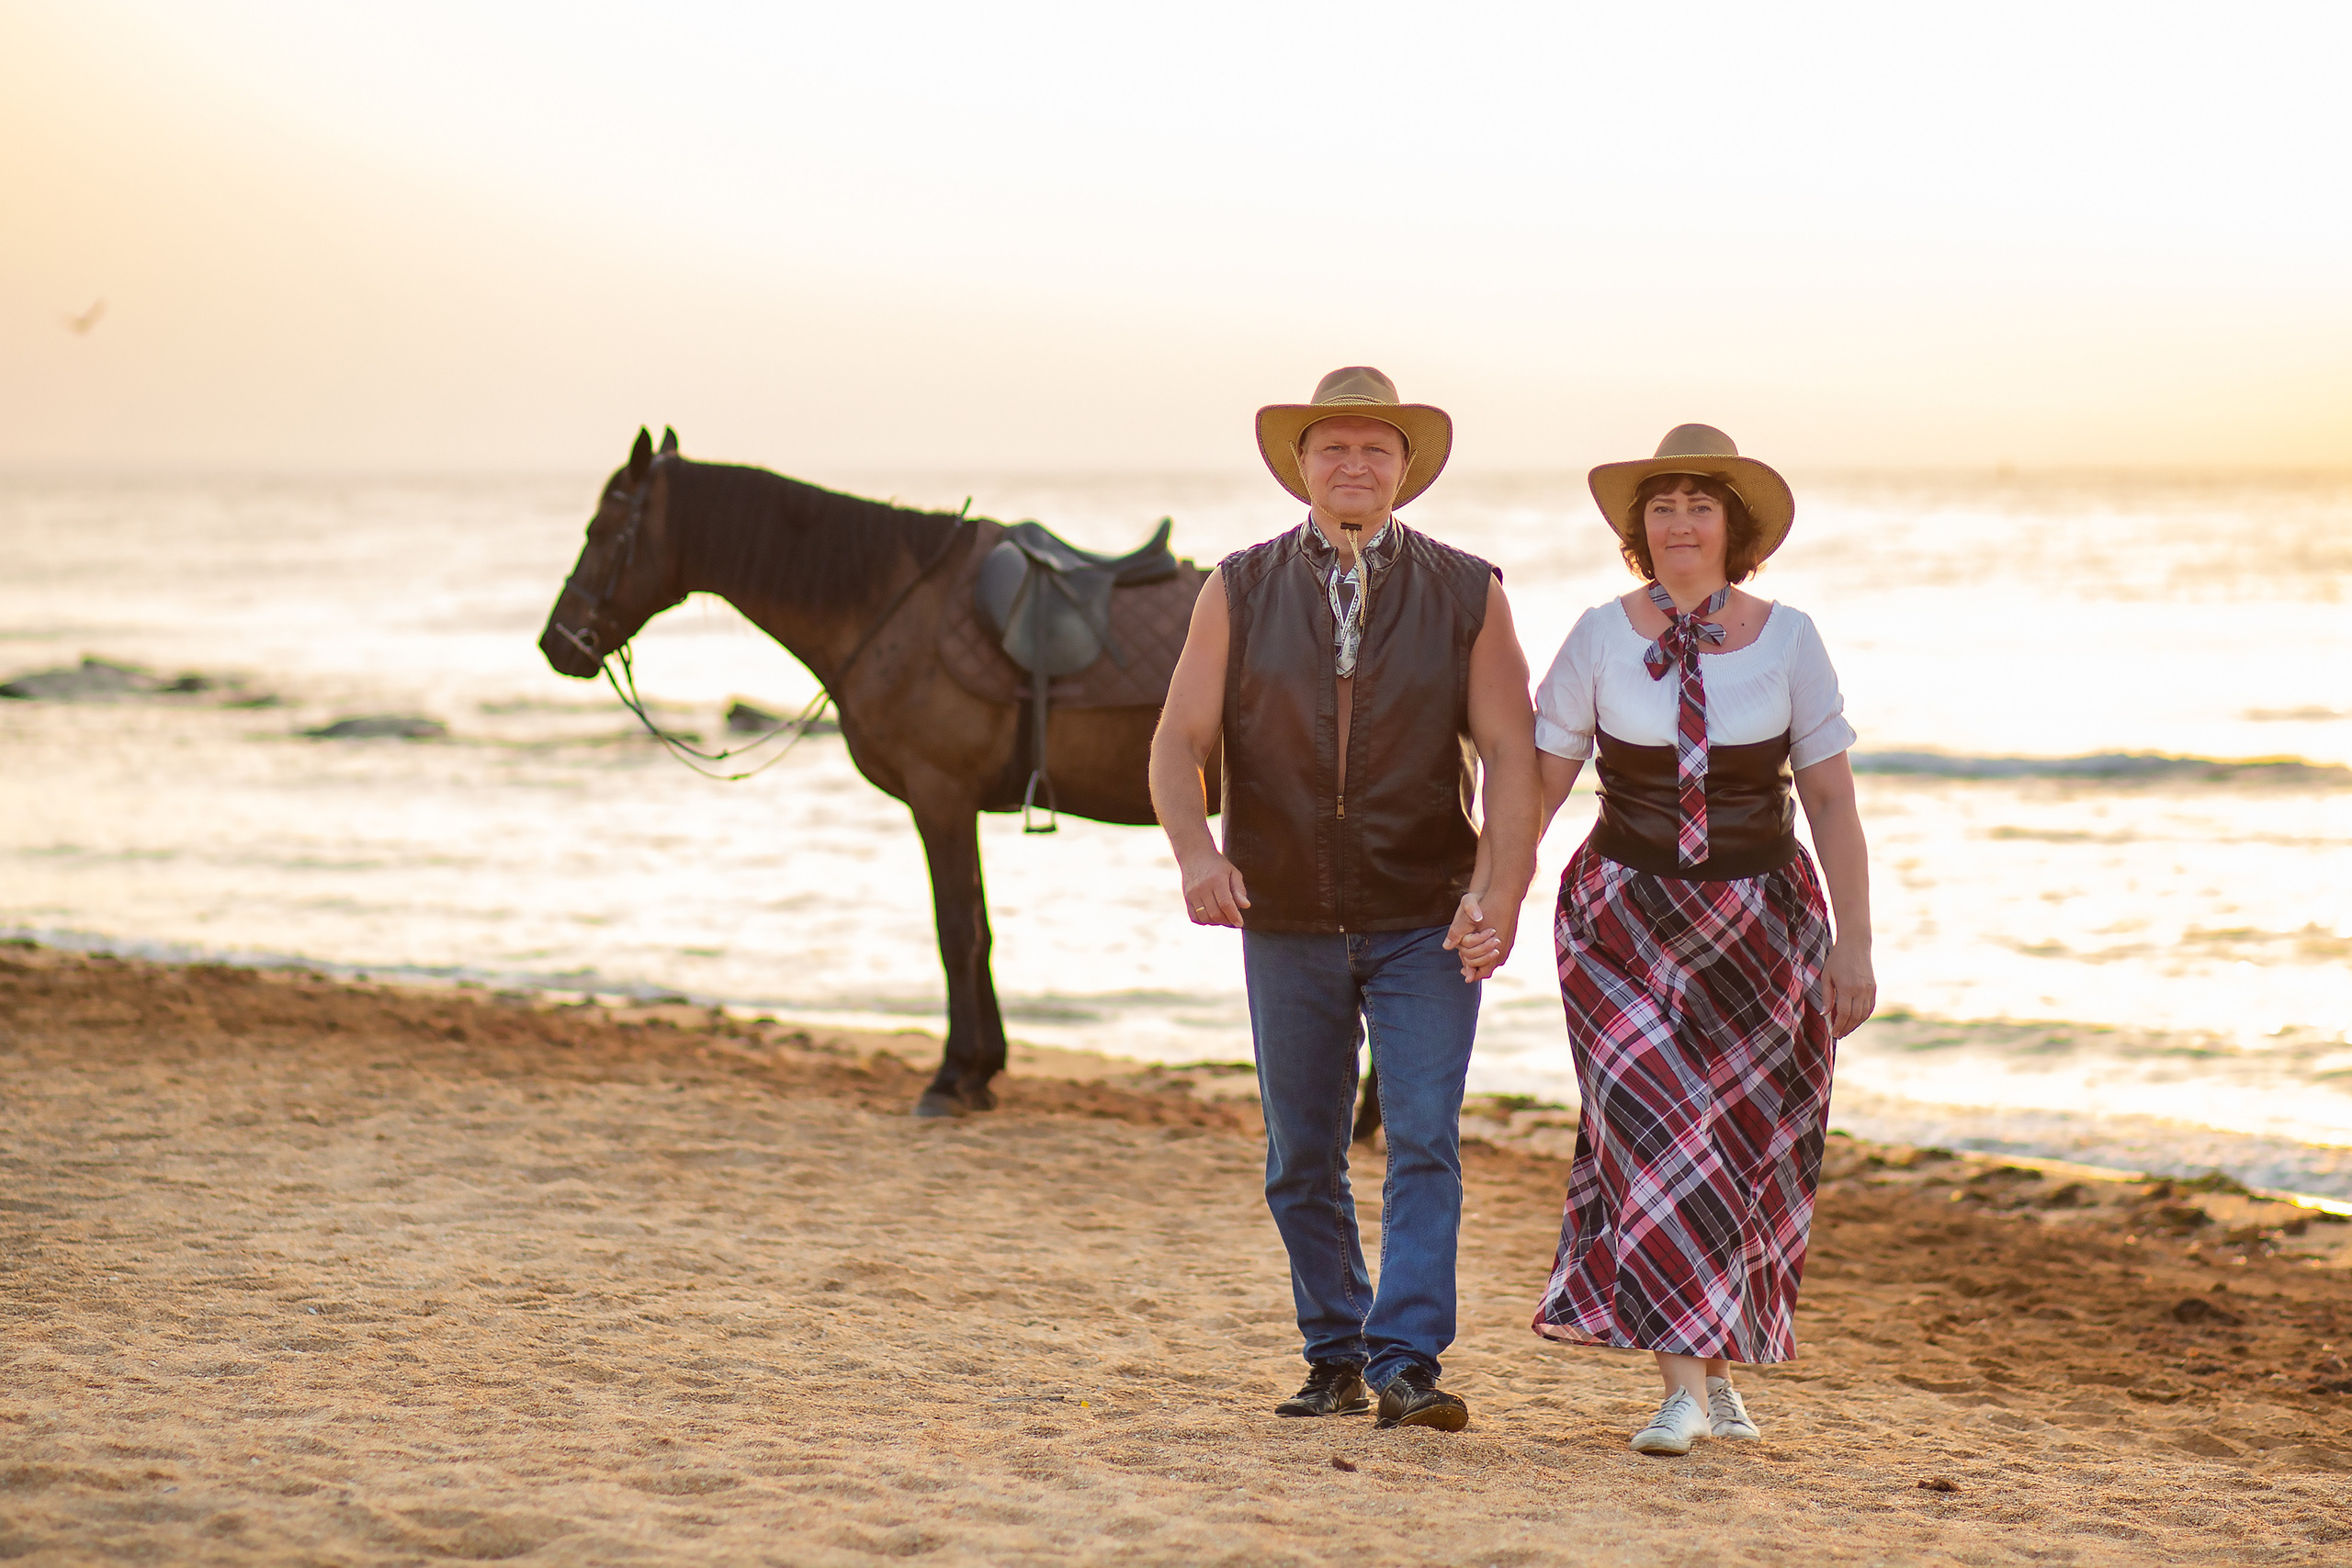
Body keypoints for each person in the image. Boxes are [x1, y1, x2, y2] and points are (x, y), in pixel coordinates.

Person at [1150, 367, 1539, 1431]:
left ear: (1404, 472)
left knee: (1423, 1138)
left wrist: (1498, 889)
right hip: (1282, 916)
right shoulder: (1238, 584)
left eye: (1376, 450)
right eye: (1334, 449)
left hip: (1425, 915)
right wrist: (1195, 854)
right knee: (1301, 1157)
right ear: (1302, 469)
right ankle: (1333, 1353)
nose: (1355, 466)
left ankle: (1406, 1361)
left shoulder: (1470, 589)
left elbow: (1511, 750)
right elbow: (1178, 740)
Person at [1526, 424, 1874, 1456]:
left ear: (1735, 528)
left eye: (1699, 505)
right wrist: (1487, 893)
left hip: (1762, 924)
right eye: (1661, 507)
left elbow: (1832, 803)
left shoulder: (1790, 638)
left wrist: (1854, 948)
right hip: (1620, 921)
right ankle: (1680, 1390)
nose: (1678, 523)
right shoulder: (1595, 635)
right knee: (1654, 1134)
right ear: (1640, 530)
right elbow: (1540, 787)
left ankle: (1719, 1375)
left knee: (1739, 1149)